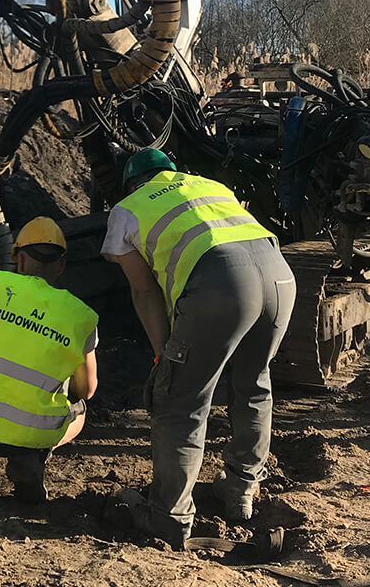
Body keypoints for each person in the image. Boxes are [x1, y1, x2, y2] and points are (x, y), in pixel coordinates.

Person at [102, 148, 297, 546]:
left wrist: (163, 356)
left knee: (179, 399)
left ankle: (169, 517)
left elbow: (144, 291)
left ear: (132, 184)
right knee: (254, 384)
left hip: (223, 282)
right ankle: (240, 491)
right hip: (279, 276)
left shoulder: (127, 208)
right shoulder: (210, 186)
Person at [0, 216, 99, 501]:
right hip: (27, 435)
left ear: (19, 260)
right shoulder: (81, 316)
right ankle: (31, 457)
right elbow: (86, 389)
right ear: (61, 266)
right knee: (80, 409)